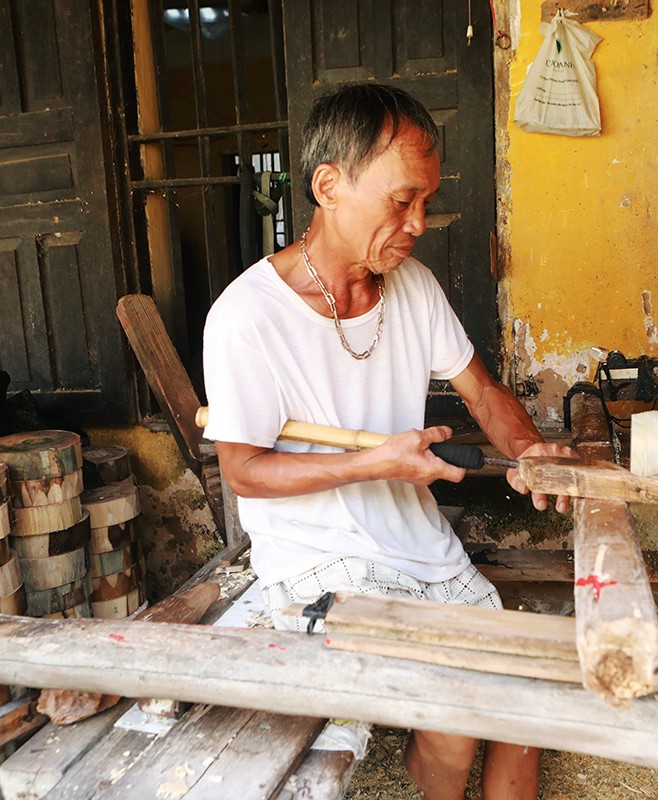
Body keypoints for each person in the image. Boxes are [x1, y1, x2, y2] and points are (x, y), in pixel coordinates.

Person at [202, 82, 573, 800]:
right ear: (328, 185)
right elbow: (244, 471)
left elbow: (485, 393)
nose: (420, 222)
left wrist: (528, 450)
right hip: (322, 564)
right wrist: (377, 463)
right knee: (460, 707)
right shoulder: (248, 316)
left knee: (529, 704)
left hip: (424, 552)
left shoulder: (414, 288)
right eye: (402, 200)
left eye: (427, 202)